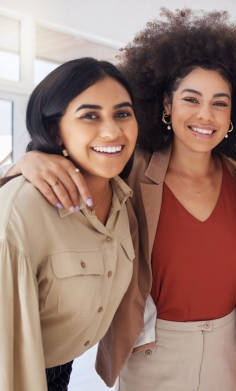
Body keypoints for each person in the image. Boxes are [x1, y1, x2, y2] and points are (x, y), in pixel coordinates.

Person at [5, 9, 236, 390]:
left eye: (220, 102)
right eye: (191, 99)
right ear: (166, 105)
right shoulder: (129, 169)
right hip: (152, 350)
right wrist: (30, 158)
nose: (205, 114)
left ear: (235, 113)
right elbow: (82, 159)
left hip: (230, 351)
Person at [0, 57, 138, 391]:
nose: (112, 130)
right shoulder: (23, 209)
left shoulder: (123, 198)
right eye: (90, 115)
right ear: (53, 129)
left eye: (122, 113)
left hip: (62, 369)